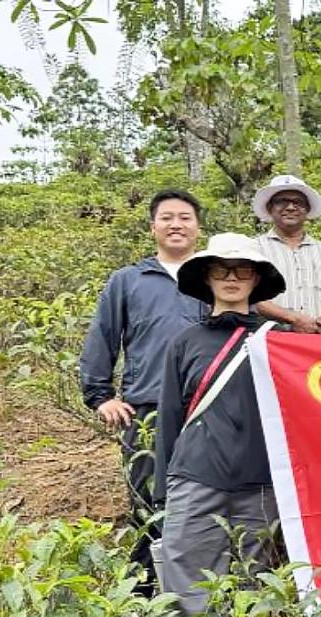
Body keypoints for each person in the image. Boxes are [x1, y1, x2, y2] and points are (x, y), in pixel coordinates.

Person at [79, 188, 207, 594]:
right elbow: (103, 336)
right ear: (153, 227)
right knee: (150, 502)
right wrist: (101, 396)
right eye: (167, 217)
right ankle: (144, 593)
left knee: (205, 498)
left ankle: (200, 589)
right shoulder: (128, 280)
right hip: (146, 407)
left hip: (207, 406)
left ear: (198, 228)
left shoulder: (212, 276)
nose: (176, 225)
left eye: (185, 217)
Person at [155, 233, 287, 617]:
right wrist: (164, 489)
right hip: (196, 475)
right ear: (208, 278)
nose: (232, 277)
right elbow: (169, 417)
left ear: (256, 279)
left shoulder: (280, 341)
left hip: (260, 481)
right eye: (221, 270)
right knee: (188, 582)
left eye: (242, 270)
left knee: (254, 584)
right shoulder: (185, 342)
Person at [252, 174, 321, 335]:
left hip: (319, 344)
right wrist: (292, 318)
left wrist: (320, 326)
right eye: (282, 201)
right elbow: (249, 296)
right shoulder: (254, 249)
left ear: (307, 209)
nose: (290, 207)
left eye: (298, 202)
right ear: (270, 208)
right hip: (271, 343)